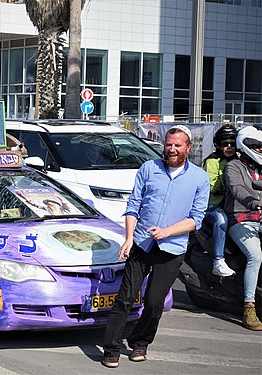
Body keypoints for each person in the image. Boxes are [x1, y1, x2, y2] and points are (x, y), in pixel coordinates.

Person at [101, 125, 209, 368]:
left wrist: (166, 232)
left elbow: (196, 219)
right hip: (141, 244)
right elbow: (133, 206)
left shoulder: (199, 178)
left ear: (188, 148)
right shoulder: (149, 169)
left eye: (177, 145)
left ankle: (140, 343)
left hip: (172, 248)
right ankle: (112, 348)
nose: (171, 149)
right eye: (169, 144)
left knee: (153, 301)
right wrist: (129, 239)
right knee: (125, 297)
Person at [224, 125, 262, 331]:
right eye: (257, 146)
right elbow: (237, 188)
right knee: (256, 256)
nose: (260, 150)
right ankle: (249, 307)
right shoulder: (234, 166)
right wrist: (253, 202)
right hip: (241, 218)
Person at [203, 124, 238, 276]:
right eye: (225, 144)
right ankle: (218, 260)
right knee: (221, 219)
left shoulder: (241, 160)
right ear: (219, 145)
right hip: (212, 205)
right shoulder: (212, 161)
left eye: (232, 143)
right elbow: (213, 186)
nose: (229, 147)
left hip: (235, 204)